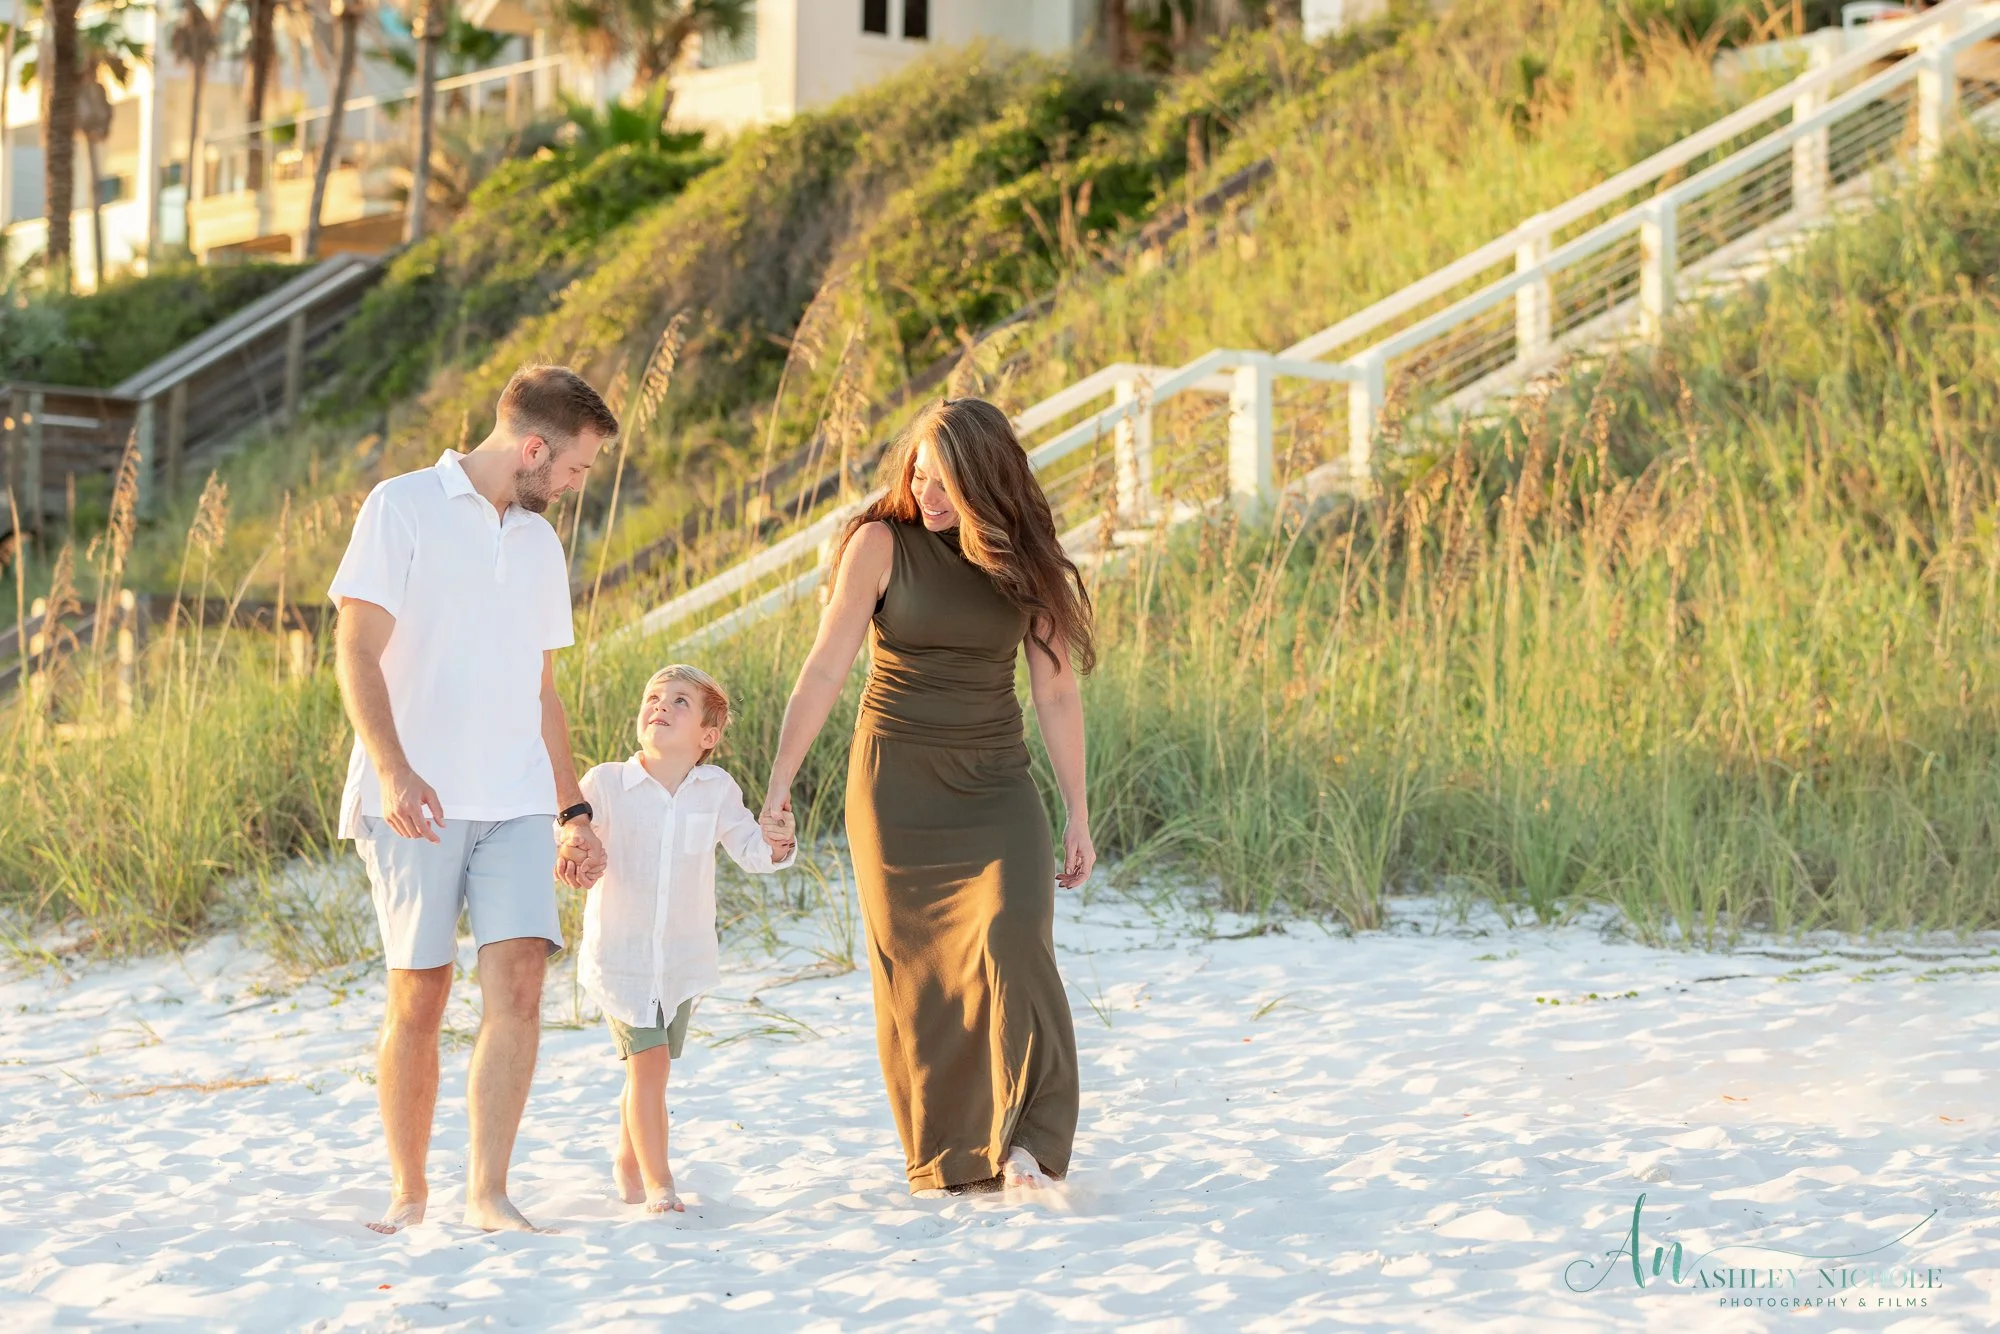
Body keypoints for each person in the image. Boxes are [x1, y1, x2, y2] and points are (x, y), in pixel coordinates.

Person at [761, 396, 1096, 1195]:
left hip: (995, 783)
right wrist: (779, 785)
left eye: (946, 482)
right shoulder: (881, 544)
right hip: (896, 784)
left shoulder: (1027, 560)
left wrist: (1079, 810)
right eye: (918, 475)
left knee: (1014, 940)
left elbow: (1055, 694)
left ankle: (1031, 1141)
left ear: (987, 482)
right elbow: (825, 667)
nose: (928, 494)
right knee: (922, 976)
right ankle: (955, 1157)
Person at [329, 364, 617, 1235]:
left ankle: (488, 1192)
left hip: (516, 800)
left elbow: (544, 691)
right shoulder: (401, 505)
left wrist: (572, 809)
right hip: (413, 798)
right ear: (533, 448)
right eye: (573, 469)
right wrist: (392, 767)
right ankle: (409, 1192)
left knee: (520, 985)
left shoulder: (539, 544)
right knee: (420, 990)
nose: (574, 487)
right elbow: (356, 651)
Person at [575, 664, 797, 1214]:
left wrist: (775, 843)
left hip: (681, 961)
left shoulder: (715, 789)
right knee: (648, 1067)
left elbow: (750, 849)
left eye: (679, 702)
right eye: (653, 697)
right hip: (622, 959)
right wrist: (570, 854)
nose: (661, 706)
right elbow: (568, 837)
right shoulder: (605, 783)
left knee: (652, 1069)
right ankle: (659, 1184)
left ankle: (628, 1164)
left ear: (707, 736)